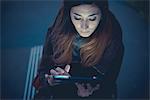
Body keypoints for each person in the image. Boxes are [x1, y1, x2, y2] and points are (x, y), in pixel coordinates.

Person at [33, 0, 124, 99]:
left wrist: (93, 91)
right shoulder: (57, 31)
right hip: (60, 92)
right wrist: (50, 80)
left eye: (92, 18)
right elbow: (43, 69)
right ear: (69, 15)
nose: (84, 26)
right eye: (77, 17)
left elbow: (109, 81)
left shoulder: (112, 39)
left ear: (102, 16)